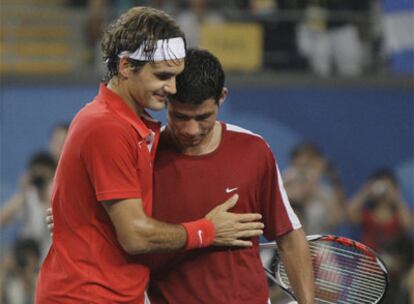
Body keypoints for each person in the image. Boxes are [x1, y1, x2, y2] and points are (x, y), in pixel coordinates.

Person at [35, 7, 264, 304]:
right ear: (126, 66)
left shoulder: (131, 125)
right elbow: (135, 235)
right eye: (162, 76)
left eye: (175, 76)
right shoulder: (107, 127)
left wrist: (73, 214)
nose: (171, 88)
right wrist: (208, 231)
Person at [146, 48, 314, 304]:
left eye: (203, 117)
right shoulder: (144, 155)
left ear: (222, 97)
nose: (191, 130)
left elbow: (289, 237)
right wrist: (205, 231)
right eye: (180, 117)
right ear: (166, 100)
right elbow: (133, 240)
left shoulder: (254, 150)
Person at [0, 152, 56, 260]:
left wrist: (45, 196)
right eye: (36, 171)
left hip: (50, 258)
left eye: (43, 171)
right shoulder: (27, 197)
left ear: (52, 173)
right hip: (26, 257)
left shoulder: (57, 197)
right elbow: (2, 220)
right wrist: (23, 193)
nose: (39, 174)